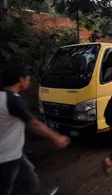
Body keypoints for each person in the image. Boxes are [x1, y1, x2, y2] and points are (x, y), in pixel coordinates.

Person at [0, 65, 70, 195]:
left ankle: (37, 192)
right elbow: (34, 124)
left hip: (14, 151)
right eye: (28, 78)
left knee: (28, 173)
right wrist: (57, 137)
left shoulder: (2, 97)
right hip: (6, 156)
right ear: (21, 79)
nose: (29, 81)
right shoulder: (14, 100)